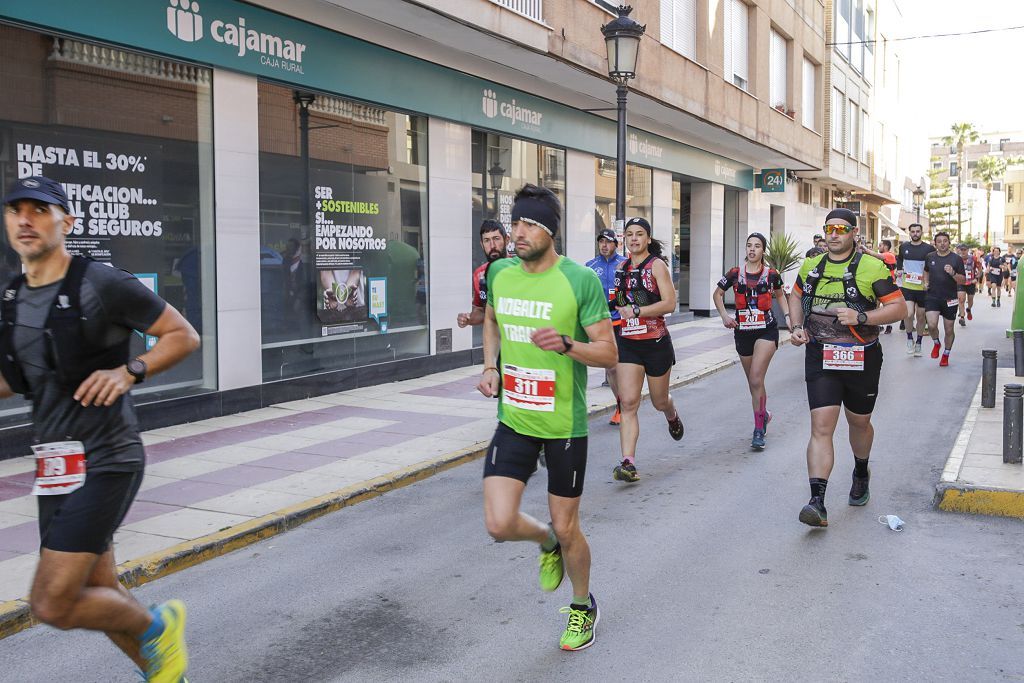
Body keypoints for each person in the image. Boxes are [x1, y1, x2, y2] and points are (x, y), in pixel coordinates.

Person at [1, 177, 200, 680]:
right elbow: (15, 380)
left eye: (40, 209)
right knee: (100, 589)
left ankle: (159, 626)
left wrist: (129, 370)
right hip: (55, 464)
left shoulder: (101, 283)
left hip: (106, 456)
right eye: (15, 210)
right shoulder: (10, 295)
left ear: (66, 221)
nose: (25, 219)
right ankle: (167, 674)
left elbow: (182, 334)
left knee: (52, 603)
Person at [476, 184, 616, 651]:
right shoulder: (500, 273)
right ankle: (545, 542)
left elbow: (609, 353)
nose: (518, 232)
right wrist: (490, 366)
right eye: (515, 222)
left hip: (563, 426)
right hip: (514, 417)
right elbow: (491, 319)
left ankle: (582, 607)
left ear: (550, 232)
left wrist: (569, 345)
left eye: (530, 224)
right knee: (498, 523)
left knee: (569, 525)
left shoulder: (580, 281)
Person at [788, 208, 906, 527]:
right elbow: (795, 295)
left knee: (858, 422)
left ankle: (861, 470)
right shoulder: (812, 265)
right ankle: (817, 502)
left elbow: (898, 307)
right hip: (821, 356)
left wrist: (863, 317)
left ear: (854, 233)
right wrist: (796, 326)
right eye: (829, 229)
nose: (834, 234)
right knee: (821, 426)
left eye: (841, 228)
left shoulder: (872, 266)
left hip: (862, 357)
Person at [610, 217, 684, 483]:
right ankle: (628, 462)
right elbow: (620, 302)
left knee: (658, 401)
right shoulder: (621, 268)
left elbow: (670, 303)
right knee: (628, 402)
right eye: (629, 234)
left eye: (639, 234)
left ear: (648, 239)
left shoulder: (657, 266)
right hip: (629, 343)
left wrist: (638, 310)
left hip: (655, 343)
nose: (633, 239)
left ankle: (671, 414)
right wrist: (616, 309)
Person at [713, 233, 790, 450]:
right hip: (743, 332)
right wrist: (725, 317)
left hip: (766, 330)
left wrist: (788, 317)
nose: (752, 250)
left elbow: (781, 295)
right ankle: (763, 413)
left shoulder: (772, 274)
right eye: (749, 246)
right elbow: (717, 294)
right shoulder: (735, 274)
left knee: (756, 378)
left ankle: (758, 430)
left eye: (757, 246)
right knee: (753, 382)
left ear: (763, 250)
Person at [585, 229, 628, 425]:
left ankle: (627, 403)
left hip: (623, 321)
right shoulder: (590, 266)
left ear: (616, 244)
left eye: (608, 242)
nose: (604, 245)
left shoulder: (626, 264)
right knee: (611, 368)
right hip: (602, 324)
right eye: (601, 241)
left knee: (623, 367)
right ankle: (620, 405)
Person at [923, 232, 966, 367]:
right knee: (931, 325)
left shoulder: (956, 259)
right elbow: (926, 270)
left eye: (945, 241)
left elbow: (963, 280)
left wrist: (953, 273)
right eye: (939, 241)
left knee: (948, 330)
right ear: (935, 243)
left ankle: (946, 354)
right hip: (932, 296)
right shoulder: (930, 257)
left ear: (949, 243)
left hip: (950, 299)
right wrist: (925, 282)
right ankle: (936, 343)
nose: (942, 243)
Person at [457, 219, 508, 328]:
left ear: (507, 240)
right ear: (482, 244)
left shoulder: (520, 267)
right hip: (493, 338)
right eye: (487, 240)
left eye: (496, 239)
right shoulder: (479, 274)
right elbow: (480, 311)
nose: (492, 245)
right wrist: (468, 319)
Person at [896, 223, 931, 356]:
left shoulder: (929, 248)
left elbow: (932, 265)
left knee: (921, 317)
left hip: (923, 288)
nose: (915, 233)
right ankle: (910, 338)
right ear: (909, 233)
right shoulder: (904, 246)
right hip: (907, 286)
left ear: (921, 232)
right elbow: (899, 259)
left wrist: (929, 282)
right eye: (913, 231)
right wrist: (899, 270)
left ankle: (919, 343)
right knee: (908, 314)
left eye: (917, 231)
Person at [861, 239, 897, 333]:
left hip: (888, 283)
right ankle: (879, 325)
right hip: (879, 282)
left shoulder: (889, 255)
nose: (879, 247)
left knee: (888, 306)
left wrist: (866, 249)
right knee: (876, 305)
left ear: (885, 246)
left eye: (880, 245)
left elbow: (878, 256)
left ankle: (889, 325)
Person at [956, 243, 979, 326]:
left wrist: (976, 278)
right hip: (961, 282)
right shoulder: (957, 259)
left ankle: (968, 309)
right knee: (961, 299)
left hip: (971, 282)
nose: (963, 251)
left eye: (964, 250)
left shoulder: (973, 258)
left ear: (968, 250)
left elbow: (979, 269)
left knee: (970, 300)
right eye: (961, 250)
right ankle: (962, 317)